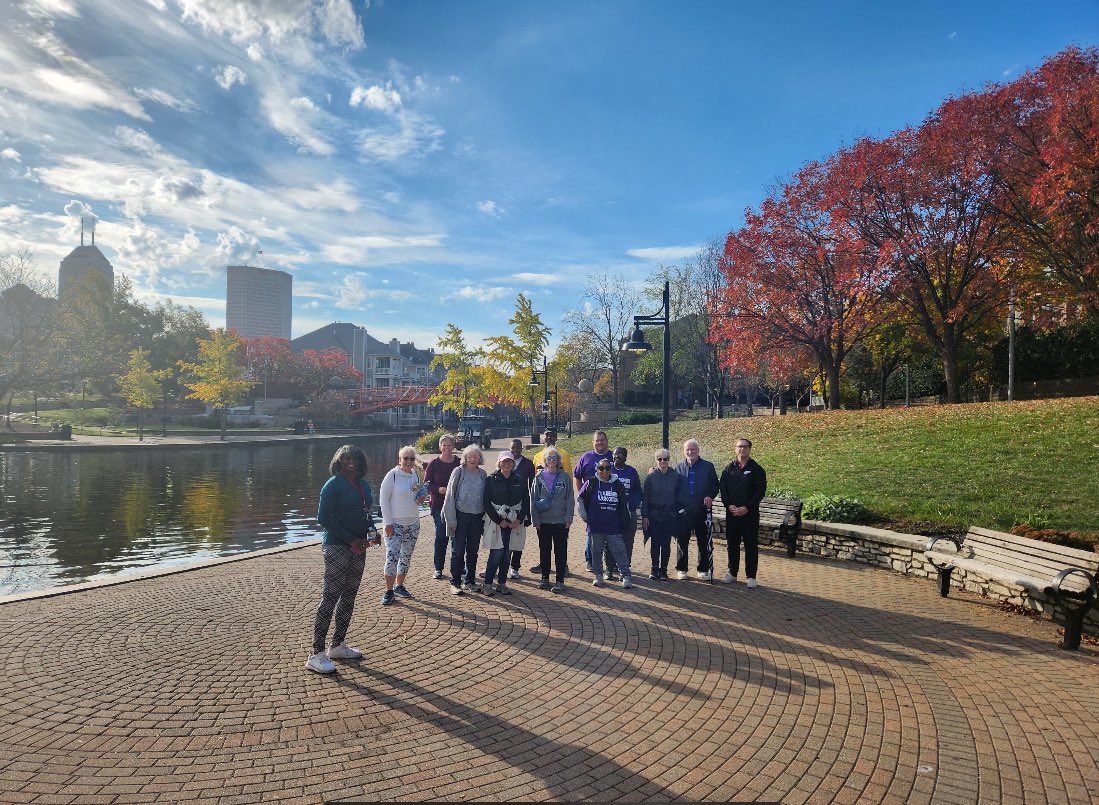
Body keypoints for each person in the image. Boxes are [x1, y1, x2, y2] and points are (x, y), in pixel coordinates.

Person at [307, 444, 376, 674]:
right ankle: (316, 653)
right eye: (345, 458)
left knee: (349, 596)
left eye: (354, 458)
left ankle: (337, 645)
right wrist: (350, 539)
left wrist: (371, 534)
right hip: (337, 546)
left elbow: (367, 514)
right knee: (330, 597)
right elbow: (323, 517)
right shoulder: (333, 484)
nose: (351, 461)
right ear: (338, 461)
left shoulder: (363, 485)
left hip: (359, 547)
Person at [378, 445, 428, 605]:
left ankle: (399, 586)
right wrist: (388, 522)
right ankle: (388, 590)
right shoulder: (391, 476)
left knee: (406, 556)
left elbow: (415, 497)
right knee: (392, 556)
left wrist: (420, 499)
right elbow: (383, 500)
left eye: (412, 458)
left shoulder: (415, 475)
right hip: (395, 524)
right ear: (400, 460)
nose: (408, 461)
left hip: (413, 523)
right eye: (405, 458)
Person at [719, 437, 768, 588]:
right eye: (739, 446)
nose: (742, 449)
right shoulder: (729, 468)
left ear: (750, 449)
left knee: (750, 545)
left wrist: (747, 507)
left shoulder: (757, 469)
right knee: (732, 544)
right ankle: (732, 573)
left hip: (749, 514)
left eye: (745, 446)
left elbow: (760, 492)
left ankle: (751, 576)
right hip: (732, 513)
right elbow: (723, 489)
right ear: (735, 449)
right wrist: (729, 505)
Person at [578, 459, 633, 589]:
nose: (604, 471)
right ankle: (598, 576)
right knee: (596, 552)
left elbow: (623, 503)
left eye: (607, 468)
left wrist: (625, 520)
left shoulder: (617, 484)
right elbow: (580, 498)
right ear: (597, 469)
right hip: (595, 526)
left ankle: (625, 576)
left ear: (611, 469)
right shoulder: (591, 483)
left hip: (613, 526)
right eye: (602, 468)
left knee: (620, 551)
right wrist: (584, 515)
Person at [482, 450, 530, 596]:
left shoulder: (520, 480)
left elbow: (526, 502)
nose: (507, 464)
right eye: (504, 461)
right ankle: (488, 584)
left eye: (510, 461)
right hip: (497, 521)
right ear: (499, 463)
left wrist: (519, 519)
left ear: (513, 463)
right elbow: (486, 503)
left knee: (507, 554)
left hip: (514, 522)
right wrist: (499, 520)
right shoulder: (491, 479)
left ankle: (502, 583)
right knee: (496, 552)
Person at [442, 445, 487, 595]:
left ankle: (470, 581)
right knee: (458, 550)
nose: (473, 459)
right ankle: (455, 582)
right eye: (470, 457)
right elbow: (449, 496)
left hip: (477, 517)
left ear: (479, 458)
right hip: (460, 516)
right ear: (465, 458)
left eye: (475, 457)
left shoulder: (482, 474)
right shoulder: (458, 472)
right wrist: (451, 520)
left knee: (473, 551)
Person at [674, 438, 720, 580]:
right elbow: (674, 487)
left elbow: (715, 485)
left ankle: (703, 569)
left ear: (698, 450)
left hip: (702, 510)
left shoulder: (708, 466)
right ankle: (682, 569)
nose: (690, 451)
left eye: (693, 449)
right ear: (684, 451)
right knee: (682, 541)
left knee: (703, 541)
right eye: (687, 449)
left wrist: (710, 496)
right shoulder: (679, 467)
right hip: (684, 511)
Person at [530, 447, 574, 593]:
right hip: (544, 521)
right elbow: (533, 499)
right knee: (545, 550)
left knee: (560, 551)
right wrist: (535, 519)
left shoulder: (565, 477)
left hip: (561, 521)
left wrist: (568, 517)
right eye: (549, 458)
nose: (552, 461)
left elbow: (569, 498)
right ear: (545, 460)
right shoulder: (538, 478)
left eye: (555, 458)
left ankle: (560, 580)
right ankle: (544, 578)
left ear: (559, 461)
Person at [642, 447, 685, 580]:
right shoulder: (650, 477)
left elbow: (680, 496)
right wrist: (644, 516)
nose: (662, 461)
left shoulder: (676, 476)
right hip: (654, 515)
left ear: (668, 460)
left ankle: (664, 570)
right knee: (655, 543)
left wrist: (678, 513)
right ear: (656, 460)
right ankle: (654, 569)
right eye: (659, 459)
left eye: (665, 459)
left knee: (666, 544)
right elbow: (646, 498)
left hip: (669, 515)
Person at [573, 431, 614, 572]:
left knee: (611, 531)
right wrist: (582, 494)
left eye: (602, 440)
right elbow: (577, 476)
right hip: (591, 502)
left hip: (610, 500)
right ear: (593, 443)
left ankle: (610, 562)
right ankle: (590, 561)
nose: (600, 443)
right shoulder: (586, 457)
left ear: (607, 441)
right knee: (591, 532)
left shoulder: (613, 456)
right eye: (597, 441)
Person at [424, 434, 461, 580]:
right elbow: (427, 484)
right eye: (444, 445)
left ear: (453, 446)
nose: (447, 448)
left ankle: (457, 568)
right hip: (438, 506)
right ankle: (438, 568)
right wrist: (438, 489)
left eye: (449, 445)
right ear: (440, 447)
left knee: (456, 537)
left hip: (456, 506)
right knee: (441, 536)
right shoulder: (434, 463)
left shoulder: (459, 462)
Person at [608, 446, 642, 578]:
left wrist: (632, 505)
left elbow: (638, 491)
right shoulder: (607, 469)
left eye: (620, 455)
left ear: (625, 457)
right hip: (611, 512)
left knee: (627, 540)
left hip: (628, 512)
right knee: (610, 540)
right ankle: (610, 567)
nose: (617, 456)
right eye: (615, 454)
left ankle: (625, 567)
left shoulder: (631, 471)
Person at [507, 438, 536, 579]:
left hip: (520, 507)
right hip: (505, 508)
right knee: (503, 539)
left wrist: (529, 511)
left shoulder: (528, 464)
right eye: (513, 448)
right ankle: (501, 565)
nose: (515, 451)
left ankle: (515, 567)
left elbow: (532, 489)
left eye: (518, 448)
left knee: (518, 539)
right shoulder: (504, 462)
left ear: (522, 448)